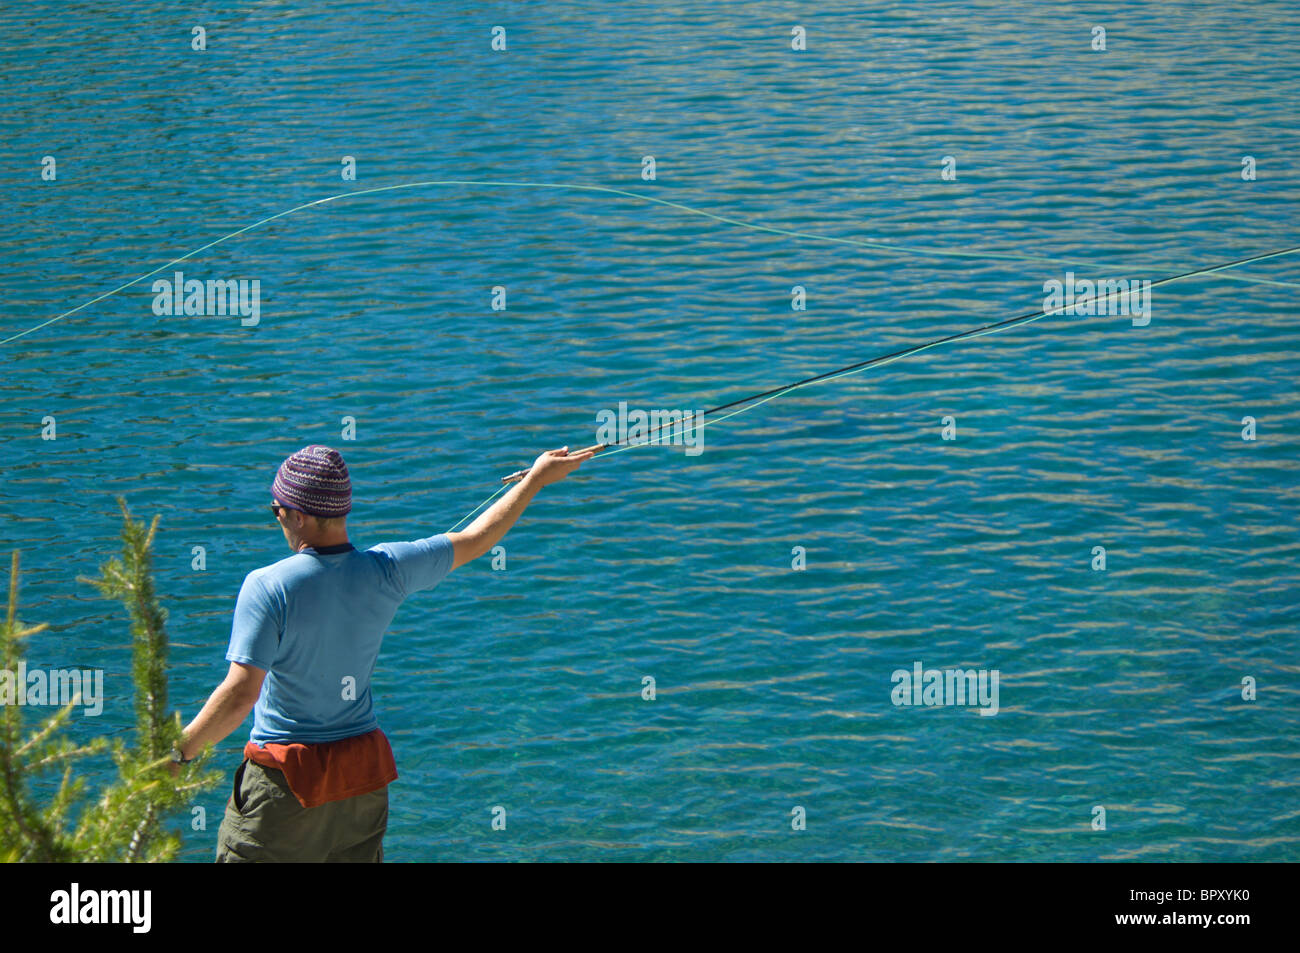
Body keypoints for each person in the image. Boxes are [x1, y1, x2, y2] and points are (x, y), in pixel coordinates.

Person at [169, 442, 594, 862]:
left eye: (275, 510)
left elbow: (242, 694)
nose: (277, 519)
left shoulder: (267, 586)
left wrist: (177, 753)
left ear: (297, 514)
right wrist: (536, 479)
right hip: (361, 784)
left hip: (287, 787)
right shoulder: (387, 569)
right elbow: (476, 539)